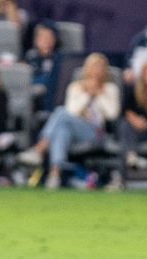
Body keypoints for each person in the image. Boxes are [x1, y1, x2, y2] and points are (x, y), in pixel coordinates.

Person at [18, 53, 121, 189]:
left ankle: (39, 149)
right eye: (94, 67)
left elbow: (112, 114)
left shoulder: (110, 89)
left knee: (60, 112)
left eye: (101, 67)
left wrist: (99, 95)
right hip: (74, 129)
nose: (97, 71)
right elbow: (72, 110)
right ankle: (55, 175)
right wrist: (86, 94)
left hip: (95, 132)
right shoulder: (75, 87)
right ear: (87, 69)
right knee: (62, 129)